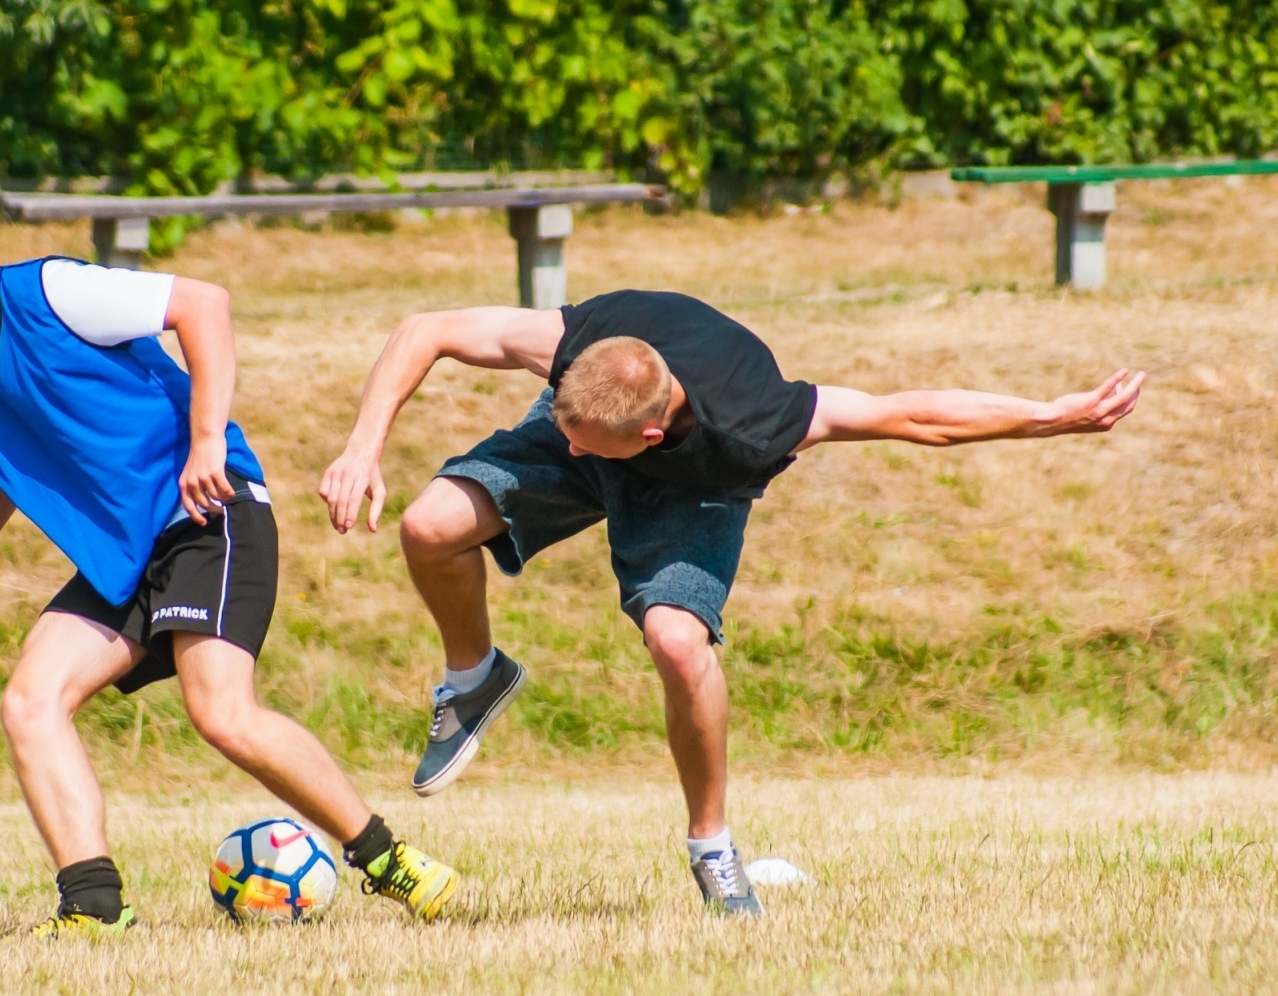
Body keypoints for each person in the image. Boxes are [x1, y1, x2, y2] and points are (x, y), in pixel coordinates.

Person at [318, 289, 1143, 916]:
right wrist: (363, 447)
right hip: (603, 415)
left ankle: (710, 845)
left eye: (578, 439)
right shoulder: (586, 355)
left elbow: (910, 416)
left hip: (692, 489)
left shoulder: (756, 420)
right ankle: (474, 677)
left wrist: (1049, 417)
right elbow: (426, 328)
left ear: (647, 435)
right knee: (429, 526)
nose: (563, 444)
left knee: (679, 644)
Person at [0, 210, 458, 937]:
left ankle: (390, 860)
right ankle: (93, 908)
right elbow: (17, 451)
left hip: (206, 513)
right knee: (31, 702)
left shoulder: (54, 293)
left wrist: (207, 443)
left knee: (222, 713)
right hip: (124, 552)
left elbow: (204, 305)